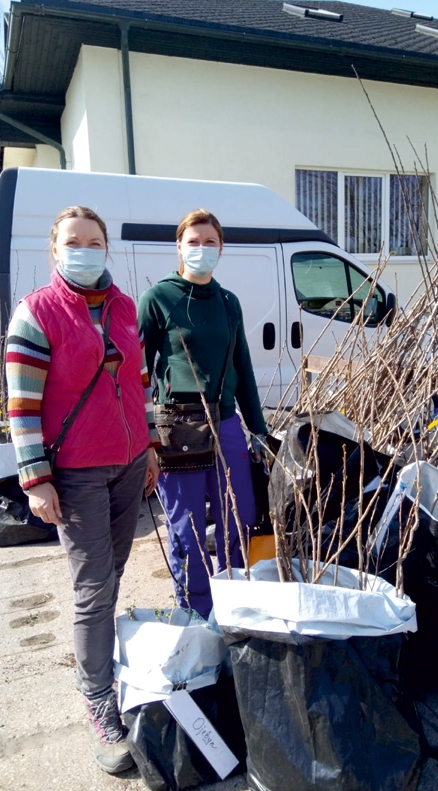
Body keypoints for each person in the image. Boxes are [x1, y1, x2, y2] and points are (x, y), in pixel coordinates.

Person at [5, 206, 159, 775]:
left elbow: (138, 382)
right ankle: (97, 699)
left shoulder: (123, 307)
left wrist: (149, 447)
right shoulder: (36, 312)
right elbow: (22, 406)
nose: (85, 250)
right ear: (55, 249)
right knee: (94, 588)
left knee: (110, 575)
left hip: (129, 464)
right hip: (76, 473)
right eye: (74, 241)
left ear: (106, 249)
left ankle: (102, 667)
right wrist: (36, 478)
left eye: (95, 242)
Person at [138, 208, 267, 619]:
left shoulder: (229, 303)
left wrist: (258, 430)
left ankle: (237, 612)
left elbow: (243, 368)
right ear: (179, 247)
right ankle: (195, 616)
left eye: (210, 242)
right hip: (178, 429)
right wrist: (146, 439)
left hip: (226, 424)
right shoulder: (158, 299)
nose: (201, 249)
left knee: (239, 519)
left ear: (221, 248)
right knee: (188, 530)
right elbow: (137, 374)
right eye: (193, 242)